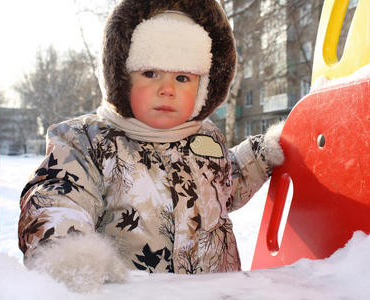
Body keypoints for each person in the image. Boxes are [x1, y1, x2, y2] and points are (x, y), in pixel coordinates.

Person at [18, 0, 284, 292]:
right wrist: (69, 252)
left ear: (204, 87)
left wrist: (258, 156)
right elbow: (60, 195)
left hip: (214, 290)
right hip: (133, 293)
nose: (167, 89)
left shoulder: (207, 139)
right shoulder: (86, 141)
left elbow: (225, 184)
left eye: (182, 77)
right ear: (121, 76)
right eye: (150, 73)